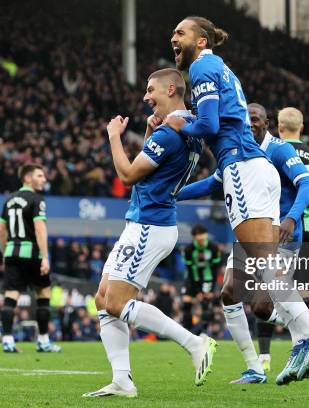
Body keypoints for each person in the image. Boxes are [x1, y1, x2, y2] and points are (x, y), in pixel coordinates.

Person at [165, 16, 309, 385]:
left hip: (243, 168)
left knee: (265, 264)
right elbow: (213, 128)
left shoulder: (203, 66)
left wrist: (178, 125)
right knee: (239, 284)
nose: (173, 37)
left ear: (202, 40)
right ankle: (269, 358)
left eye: (180, 32)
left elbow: (207, 126)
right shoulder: (216, 68)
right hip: (248, 169)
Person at [177, 104, 309, 385]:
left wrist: (291, 218)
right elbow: (211, 184)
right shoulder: (236, 151)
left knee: (263, 304)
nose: (250, 123)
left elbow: (307, 186)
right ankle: (255, 367)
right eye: (246, 118)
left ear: (268, 123)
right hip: (249, 234)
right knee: (231, 294)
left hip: (281, 235)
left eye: (256, 119)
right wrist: (173, 194)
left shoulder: (278, 149)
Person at [83, 68, 214, 399]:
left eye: (150, 90)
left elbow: (128, 174)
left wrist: (114, 136)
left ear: (171, 89)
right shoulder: (186, 129)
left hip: (149, 225)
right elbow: (155, 169)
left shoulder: (170, 134)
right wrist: (146, 131)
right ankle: (122, 379)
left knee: (116, 302)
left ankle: (194, 342)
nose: (145, 96)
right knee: (103, 300)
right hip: (147, 222)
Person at [257, 107, 309, 373]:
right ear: (302, 126)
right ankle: (308, 348)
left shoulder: (273, 150)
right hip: (308, 227)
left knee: (268, 290)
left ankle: (266, 356)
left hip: (281, 227)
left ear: (277, 126)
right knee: (303, 292)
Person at [0, 164, 60, 353]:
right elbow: (40, 228)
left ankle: (7, 340)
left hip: (12, 253)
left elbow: (1, 230)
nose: (44, 179)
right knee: (43, 295)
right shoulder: (37, 199)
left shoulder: (8, 200)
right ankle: (43, 341)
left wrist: (4, 253)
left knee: (10, 297)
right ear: (27, 178)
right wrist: (45, 257)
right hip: (32, 253)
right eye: (39, 176)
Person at [181, 224, 221, 333]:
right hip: (192, 278)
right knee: (186, 304)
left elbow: (215, 269)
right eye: (198, 235)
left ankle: (204, 333)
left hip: (208, 278)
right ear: (194, 237)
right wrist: (198, 291)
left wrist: (211, 289)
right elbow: (190, 269)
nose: (201, 237)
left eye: (203, 234)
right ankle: (186, 332)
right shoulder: (189, 249)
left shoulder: (213, 247)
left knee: (206, 305)